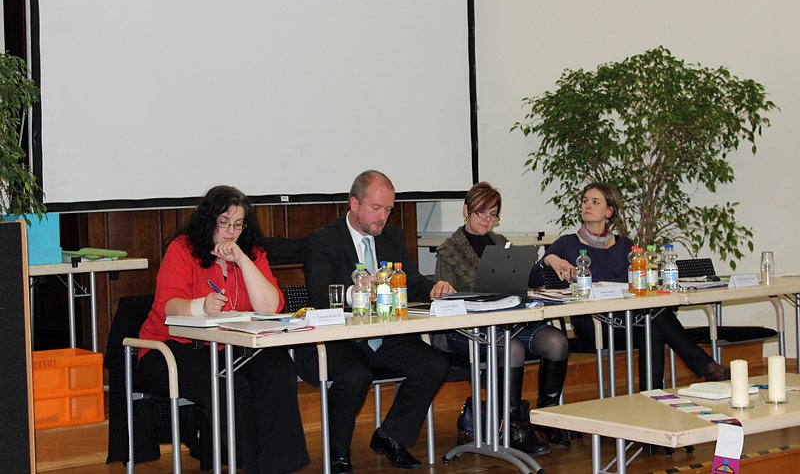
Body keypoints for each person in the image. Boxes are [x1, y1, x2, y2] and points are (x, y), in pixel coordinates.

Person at [138, 185, 309, 474]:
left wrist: (242, 260)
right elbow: (168, 306)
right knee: (231, 385)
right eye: (224, 223)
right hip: (171, 348)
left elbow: (271, 306)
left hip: (230, 346)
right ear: (209, 220)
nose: (231, 232)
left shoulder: (252, 253)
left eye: (239, 225)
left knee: (279, 369)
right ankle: (253, 467)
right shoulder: (182, 249)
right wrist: (200, 306)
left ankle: (278, 467)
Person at [295, 170, 453, 473]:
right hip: (339, 340)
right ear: (354, 204)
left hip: (383, 337)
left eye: (388, 209)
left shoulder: (392, 237)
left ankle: (390, 436)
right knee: (355, 374)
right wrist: (357, 291)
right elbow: (318, 292)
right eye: (376, 208)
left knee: (433, 364)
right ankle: (338, 453)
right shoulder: (323, 239)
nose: (382, 217)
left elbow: (410, 280)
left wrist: (434, 288)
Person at [528, 182, 730, 390]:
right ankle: (705, 367)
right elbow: (532, 280)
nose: (587, 205)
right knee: (655, 318)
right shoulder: (567, 242)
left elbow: (637, 281)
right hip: (594, 321)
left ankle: (652, 395)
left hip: (629, 316)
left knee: (653, 324)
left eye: (595, 202)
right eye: (585, 201)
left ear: (609, 211)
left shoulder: (624, 244)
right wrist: (550, 259)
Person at [435, 182, 568, 455]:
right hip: (466, 331)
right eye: (480, 213)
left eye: (493, 214)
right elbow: (445, 302)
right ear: (466, 211)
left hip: (509, 323)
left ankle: (548, 417)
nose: (487, 220)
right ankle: (513, 426)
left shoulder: (501, 243)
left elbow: (524, 282)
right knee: (512, 347)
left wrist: (540, 267)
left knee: (556, 341)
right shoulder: (449, 250)